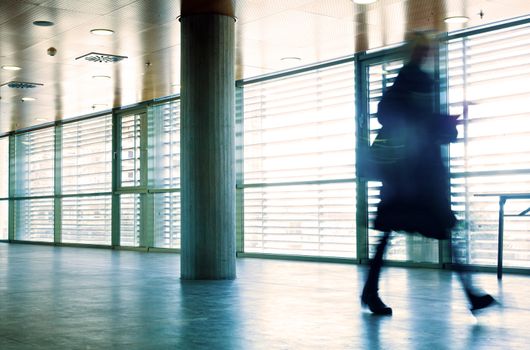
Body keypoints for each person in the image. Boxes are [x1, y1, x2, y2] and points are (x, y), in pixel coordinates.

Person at [361, 32, 496, 316]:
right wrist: (444, 123)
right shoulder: (414, 79)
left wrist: (442, 122)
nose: (428, 53)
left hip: (408, 178)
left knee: (393, 234)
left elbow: (398, 116)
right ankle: (470, 294)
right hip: (416, 177)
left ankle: (370, 291)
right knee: (440, 230)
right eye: (424, 48)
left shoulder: (411, 80)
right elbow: (407, 119)